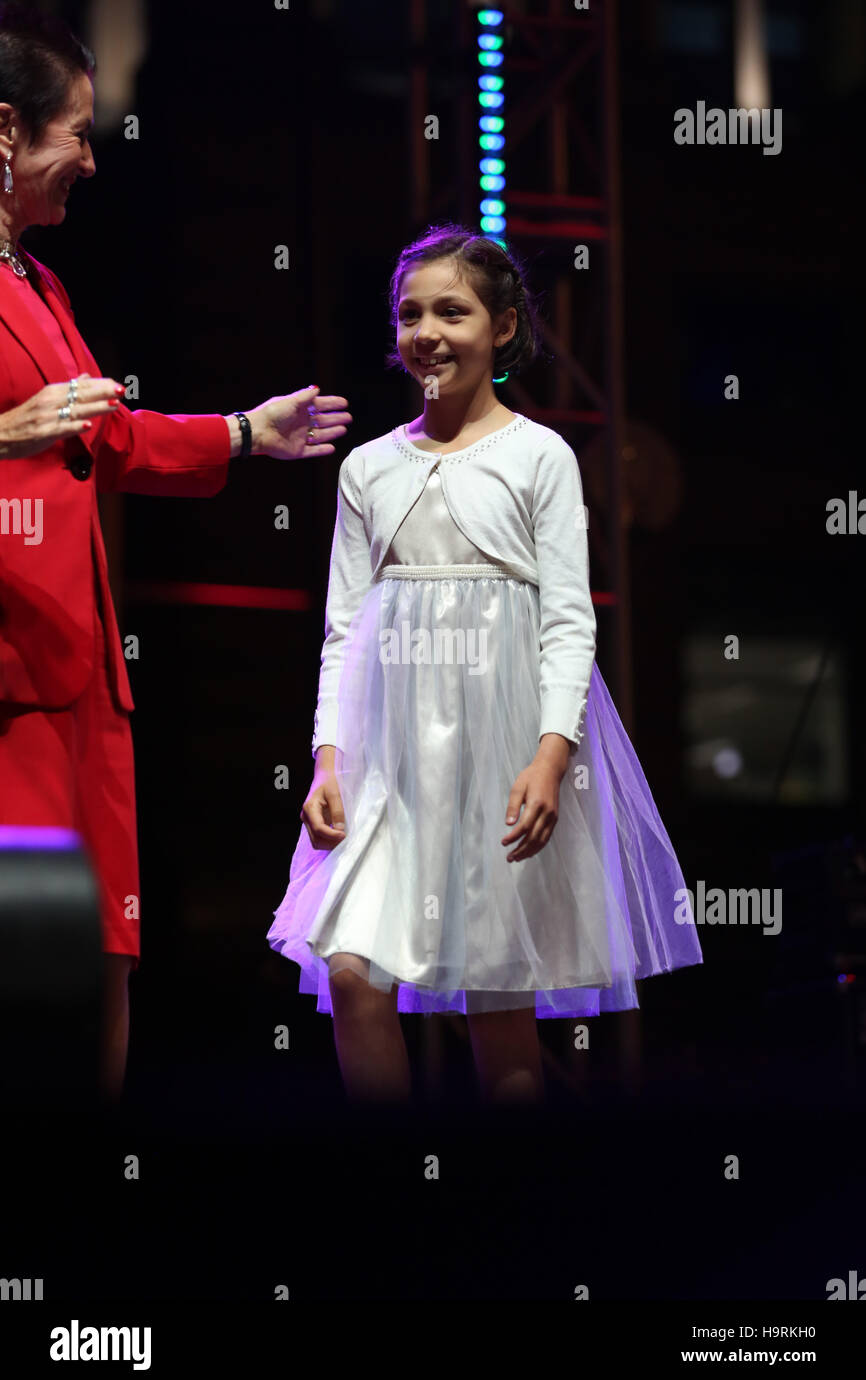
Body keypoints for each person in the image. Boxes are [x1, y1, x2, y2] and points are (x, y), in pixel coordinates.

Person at [0, 3, 351, 1100]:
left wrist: (245, 434)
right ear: (5, 130)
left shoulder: (40, 286)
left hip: (84, 682)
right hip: (10, 685)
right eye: (76, 134)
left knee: (103, 957)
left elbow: (107, 437)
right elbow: (34, 437)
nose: (93, 163)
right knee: (30, 961)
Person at [268, 224, 702, 1106]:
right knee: (351, 969)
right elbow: (345, 627)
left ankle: (508, 1213)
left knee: (496, 1003)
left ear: (502, 327)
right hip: (388, 761)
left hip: (501, 754)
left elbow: (568, 622)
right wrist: (325, 758)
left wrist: (551, 756)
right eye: (410, 313)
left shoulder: (538, 455)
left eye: (452, 311)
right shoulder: (368, 469)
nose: (427, 331)